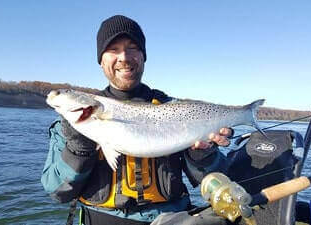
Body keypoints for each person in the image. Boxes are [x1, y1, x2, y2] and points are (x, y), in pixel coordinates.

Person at [41, 15, 234, 225]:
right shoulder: (69, 123)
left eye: (132, 47)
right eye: (113, 49)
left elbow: (218, 178)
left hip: (171, 218)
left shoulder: (174, 109)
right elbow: (57, 192)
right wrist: (78, 149)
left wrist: (203, 156)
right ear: (101, 60)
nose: (123, 57)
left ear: (143, 56)